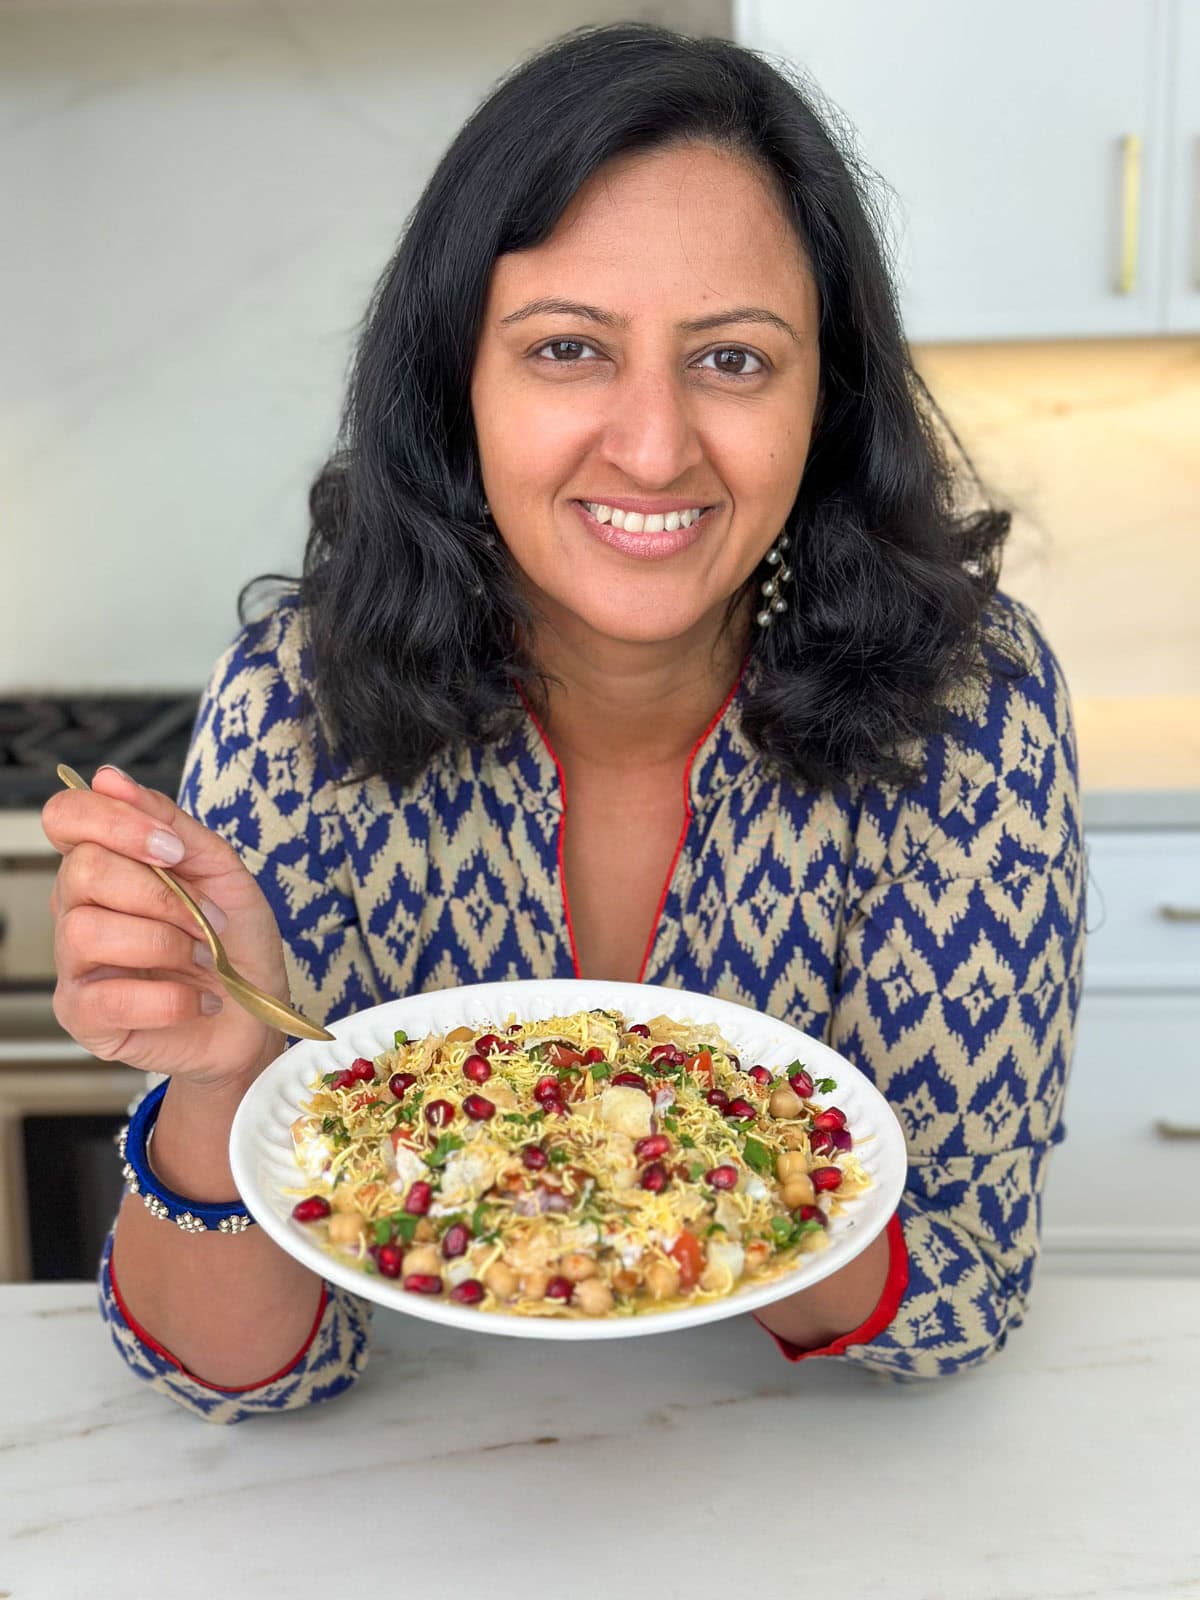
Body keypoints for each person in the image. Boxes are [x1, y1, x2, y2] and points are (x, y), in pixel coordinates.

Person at [43, 23, 1084, 1425]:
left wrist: (668, 1180)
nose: (652, 446)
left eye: (732, 359)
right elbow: (229, 1379)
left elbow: (956, 1298)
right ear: (457, 384)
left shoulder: (971, 714)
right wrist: (229, 1073)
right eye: (568, 349)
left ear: (823, 405)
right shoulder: (292, 705)